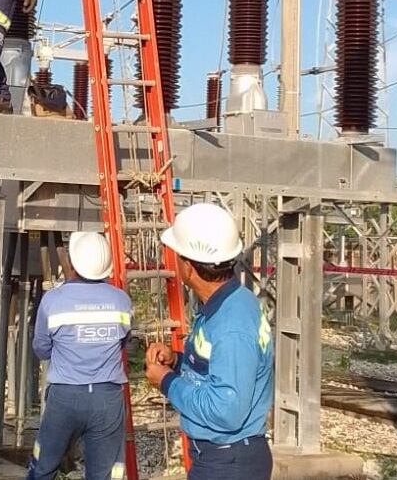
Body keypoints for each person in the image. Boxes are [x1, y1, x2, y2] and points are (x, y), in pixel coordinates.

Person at [143, 204, 273, 480]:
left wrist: (166, 381)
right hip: (222, 457)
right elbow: (218, 366)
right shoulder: (228, 303)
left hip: (228, 461)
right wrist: (176, 361)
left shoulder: (231, 324)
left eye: (177, 256)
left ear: (189, 267)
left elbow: (226, 411)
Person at [27, 232, 132, 480]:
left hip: (65, 398)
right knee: (105, 474)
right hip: (107, 399)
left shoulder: (53, 301)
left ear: (72, 263)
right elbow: (124, 342)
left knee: (42, 468)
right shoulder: (121, 300)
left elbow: (41, 349)